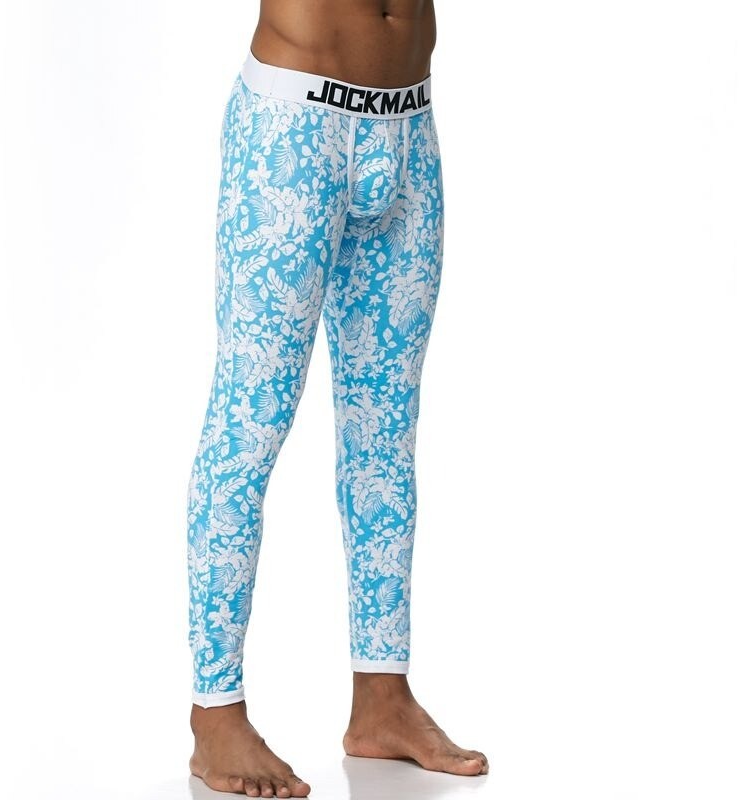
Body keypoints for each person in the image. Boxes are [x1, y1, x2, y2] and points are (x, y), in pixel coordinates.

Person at [186, 2, 488, 796]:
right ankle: (215, 713)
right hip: (294, 130)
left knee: (385, 435)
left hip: (409, 127)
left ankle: (382, 699)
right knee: (248, 425)